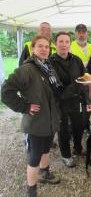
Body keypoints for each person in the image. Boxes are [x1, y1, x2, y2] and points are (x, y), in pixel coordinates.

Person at [1, 36, 61, 197]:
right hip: (36, 122)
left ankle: (45, 172)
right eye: (40, 46)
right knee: (34, 156)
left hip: (50, 120)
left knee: (46, 149)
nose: (44, 49)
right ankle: (31, 190)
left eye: (47, 47)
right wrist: (24, 106)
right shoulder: (27, 69)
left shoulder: (47, 66)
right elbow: (6, 91)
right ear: (33, 48)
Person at [48, 32, 91, 168]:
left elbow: (85, 78)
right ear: (55, 44)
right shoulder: (50, 63)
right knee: (64, 130)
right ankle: (66, 155)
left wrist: (87, 99)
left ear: (70, 44)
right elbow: (57, 90)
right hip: (60, 103)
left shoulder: (76, 60)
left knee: (79, 126)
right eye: (61, 41)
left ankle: (78, 149)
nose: (64, 45)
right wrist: (78, 84)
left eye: (67, 42)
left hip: (77, 101)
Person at [70, 24, 91, 133]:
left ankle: (86, 124)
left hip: (89, 83)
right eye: (79, 32)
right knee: (75, 107)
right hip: (76, 83)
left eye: (83, 32)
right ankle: (74, 127)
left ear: (87, 34)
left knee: (88, 106)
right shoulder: (70, 46)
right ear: (75, 33)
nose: (81, 34)